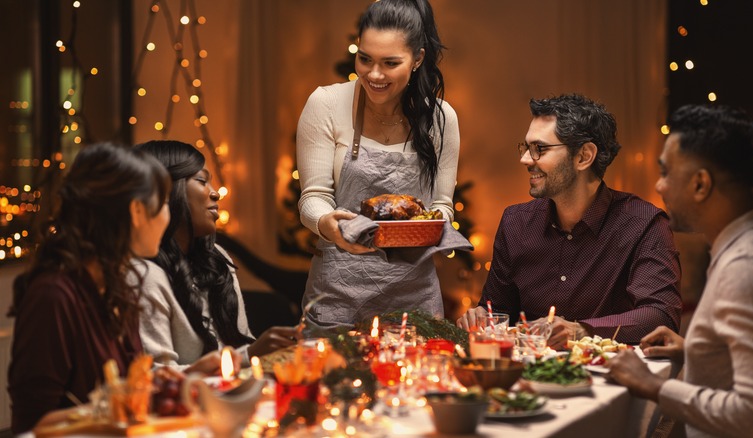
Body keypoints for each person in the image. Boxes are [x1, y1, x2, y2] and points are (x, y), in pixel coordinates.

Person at [606, 104, 753, 437]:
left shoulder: (747, 267)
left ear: (701, 184)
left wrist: (654, 386)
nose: (659, 186)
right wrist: (698, 350)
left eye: (666, 172)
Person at [457, 94, 682, 349]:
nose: (525, 160)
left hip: (612, 380)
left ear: (584, 156)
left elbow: (660, 316)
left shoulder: (643, 224)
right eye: (526, 147)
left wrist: (580, 330)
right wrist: (482, 317)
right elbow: (497, 311)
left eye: (539, 149)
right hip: (529, 378)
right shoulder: (516, 223)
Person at [296, 0, 460, 330]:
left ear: (418, 59)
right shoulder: (326, 104)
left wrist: (428, 225)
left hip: (414, 298)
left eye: (390, 63)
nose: (373, 74)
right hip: (337, 292)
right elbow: (312, 197)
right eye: (365, 58)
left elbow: (442, 205)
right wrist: (328, 223)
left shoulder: (441, 119)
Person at [7, 143, 171, 433]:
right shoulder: (54, 296)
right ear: (136, 210)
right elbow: (32, 425)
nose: (168, 216)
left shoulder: (118, 286)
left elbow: (125, 389)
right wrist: (116, 413)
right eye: (164, 203)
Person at [134, 140, 299, 374]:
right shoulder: (144, 275)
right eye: (202, 181)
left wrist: (257, 352)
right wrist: (249, 356)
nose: (215, 192)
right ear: (166, 192)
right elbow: (157, 378)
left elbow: (239, 349)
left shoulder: (216, 258)